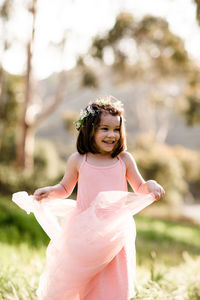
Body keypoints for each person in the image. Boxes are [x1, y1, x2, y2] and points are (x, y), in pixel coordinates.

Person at [12, 96, 165, 300]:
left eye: (116, 129)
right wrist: (51, 191)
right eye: (104, 129)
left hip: (114, 232)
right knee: (82, 280)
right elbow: (65, 188)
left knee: (113, 282)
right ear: (89, 130)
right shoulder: (78, 160)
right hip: (84, 231)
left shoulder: (124, 160)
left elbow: (140, 187)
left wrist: (151, 185)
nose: (112, 135)